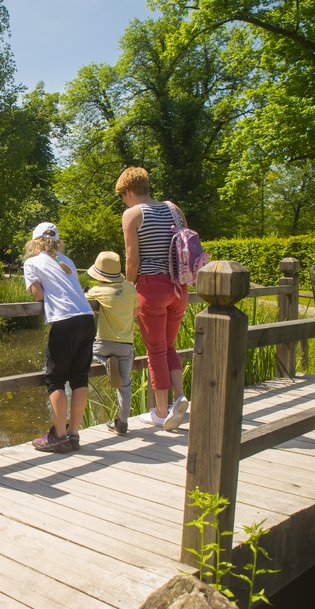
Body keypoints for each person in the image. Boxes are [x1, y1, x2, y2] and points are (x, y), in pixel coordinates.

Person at [116, 166, 190, 431]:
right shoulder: (174, 209)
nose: (123, 201)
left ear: (128, 192)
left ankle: (161, 411)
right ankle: (179, 398)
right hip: (179, 287)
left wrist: (127, 290)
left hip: (152, 288)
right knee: (169, 346)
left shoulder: (133, 214)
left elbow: (133, 259)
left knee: (156, 350)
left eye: (122, 196)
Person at [22, 221, 96, 452]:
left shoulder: (32, 263)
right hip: (86, 317)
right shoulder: (67, 261)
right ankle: (73, 434)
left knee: (55, 379)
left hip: (65, 321)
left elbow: (37, 295)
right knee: (79, 378)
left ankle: (59, 436)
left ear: (34, 242)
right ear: (56, 242)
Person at [85, 251, 138, 435]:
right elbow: (136, 313)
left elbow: (82, 305)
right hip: (125, 346)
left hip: (102, 345)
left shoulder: (96, 291)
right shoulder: (130, 288)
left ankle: (105, 362)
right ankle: (122, 424)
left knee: (88, 351)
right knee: (125, 385)